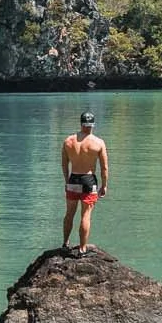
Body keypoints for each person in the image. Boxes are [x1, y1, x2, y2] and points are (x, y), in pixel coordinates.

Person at [60, 109, 109, 255]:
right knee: (86, 215)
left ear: (81, 123)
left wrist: (66, 180)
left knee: (69, 213)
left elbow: (64, 164)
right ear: (92, 125)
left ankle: (65, 243)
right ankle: (82, 249)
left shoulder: (68, 141)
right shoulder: (98, 142)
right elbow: (104, 167)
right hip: (88, 180)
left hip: (73, 178)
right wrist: (104, 185)